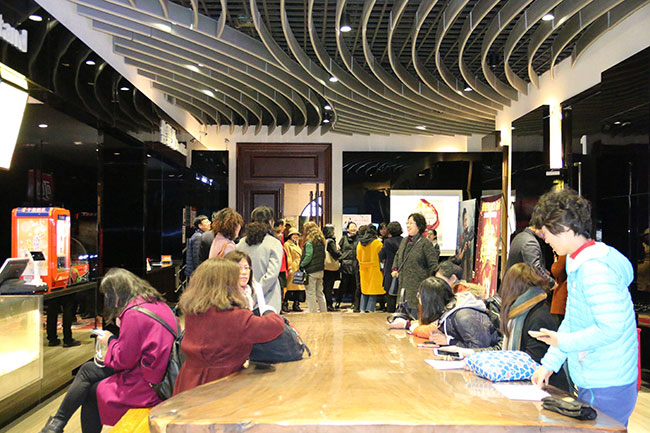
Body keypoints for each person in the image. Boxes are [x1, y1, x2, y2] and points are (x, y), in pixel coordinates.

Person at [529, 189, 638, 426]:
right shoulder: (579, 262)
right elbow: (573, 321)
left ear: (564, 229)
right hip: (598, 376)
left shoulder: (594, 269)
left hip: (607, 380)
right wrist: (549, 364)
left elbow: (611, 328)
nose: (545, 240)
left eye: (546, 233)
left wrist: (562, 341)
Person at [40, 269, 176, 433]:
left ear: (116, 294)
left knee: (92, 391)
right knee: (88, 372)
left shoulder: (133, 314)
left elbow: (124, 360)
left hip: (149, 384)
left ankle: (56, 424)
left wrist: (110, 340)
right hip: (160, 374)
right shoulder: (155, 304)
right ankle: (56, 424)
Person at [173, 258, 285, 395]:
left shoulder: (194, 311)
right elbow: (274, 326)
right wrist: (269, 311)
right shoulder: (235, 317)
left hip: (188, 379)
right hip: (220, 384)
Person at [500, 263, 569, 391]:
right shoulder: (519, 314)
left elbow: (533, 362)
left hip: (549, 390)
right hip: (534, 386)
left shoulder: (538, 317)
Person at [419, 277, 499, 349]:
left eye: (420, 296)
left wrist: (448, 341)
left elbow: (479, 348)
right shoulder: (448, 312)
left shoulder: (463, 315)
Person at [236, 207, 284, 312]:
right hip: (268, 300)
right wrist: (256, 296)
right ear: (271, 222)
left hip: (244, 298)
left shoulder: (241, 243)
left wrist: (250, 297)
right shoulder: (274, 243)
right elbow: (271, 275)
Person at [391, 213, 439, 317]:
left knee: (415, 317)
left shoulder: (425, 243)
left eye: (411, 223)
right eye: (407, 223)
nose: (408, 225)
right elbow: (398, 255)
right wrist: (395, 269)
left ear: (419, 226)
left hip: (417, 288)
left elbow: (433, 265)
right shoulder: (404, 240)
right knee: (401, 318)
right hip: (403, 287)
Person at [300, 222, 327, 313]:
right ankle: (324, 312)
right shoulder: (321, 241)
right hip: (320, 270)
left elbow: (308, 256)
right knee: (320, 293)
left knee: (311, 293)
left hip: (311, 271)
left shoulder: (309, 243)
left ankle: (313, 313)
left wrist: (302, 264)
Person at [356, 225, 384, 312]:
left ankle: (362, 309)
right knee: (373, 291)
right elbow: (382, 256)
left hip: (363, 269)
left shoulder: (360, 244)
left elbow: (358, 257)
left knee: (364, 291)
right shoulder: (377, 243)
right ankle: (370, 310)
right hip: (374, 269)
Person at [379, 221, 403, 313]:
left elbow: (381, 255)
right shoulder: (404, 241)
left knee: (390, 294)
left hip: (389, 269)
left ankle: (391, 313)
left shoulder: (387, 242)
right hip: (401, 269)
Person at [337, 221, 358, 309]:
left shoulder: (359, 239)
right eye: (351, 227)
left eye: (354, 227)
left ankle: (354, 302)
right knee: (343, 285)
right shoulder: (344, 238)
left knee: (355, 285)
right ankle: (338, 301)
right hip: (345, 265)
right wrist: (342, 257)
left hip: (355, 265)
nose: (353, 228)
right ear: (347, 229)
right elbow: (338, 250)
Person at [284, 227, 305, 311]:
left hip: (298, 267)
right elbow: (288, 256)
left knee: (298, 287)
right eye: (294, 234)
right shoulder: (287, 244)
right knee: (290, 287)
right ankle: (285, 303)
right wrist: (289, 268)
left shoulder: (297, 244)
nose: (295, 236)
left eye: (297, 235)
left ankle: (296, 304)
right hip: (293, 267)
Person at [322, 224, 341, 311]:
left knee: (326, 286)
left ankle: (326, 304)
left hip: (326, 267)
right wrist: (340, 252)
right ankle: (329, 304)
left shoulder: (324, 240)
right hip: (330, 268)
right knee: (329, 286)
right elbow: (335, 253)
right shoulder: (331, 242)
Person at [273, 219, 290, 313]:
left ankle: (281, 306)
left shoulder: (281, 240)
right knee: (279, 288)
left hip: (283, 267)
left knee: (283, 288)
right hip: (279, 268)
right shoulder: (276, 241)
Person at [456, 208, 475, 281]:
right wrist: (464, 250)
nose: (466, 223)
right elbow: (459, 256)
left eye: (467, 220)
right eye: (464, 220)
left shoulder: (469, 235)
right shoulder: (461, 237)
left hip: (468, 266)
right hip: (462, 266)